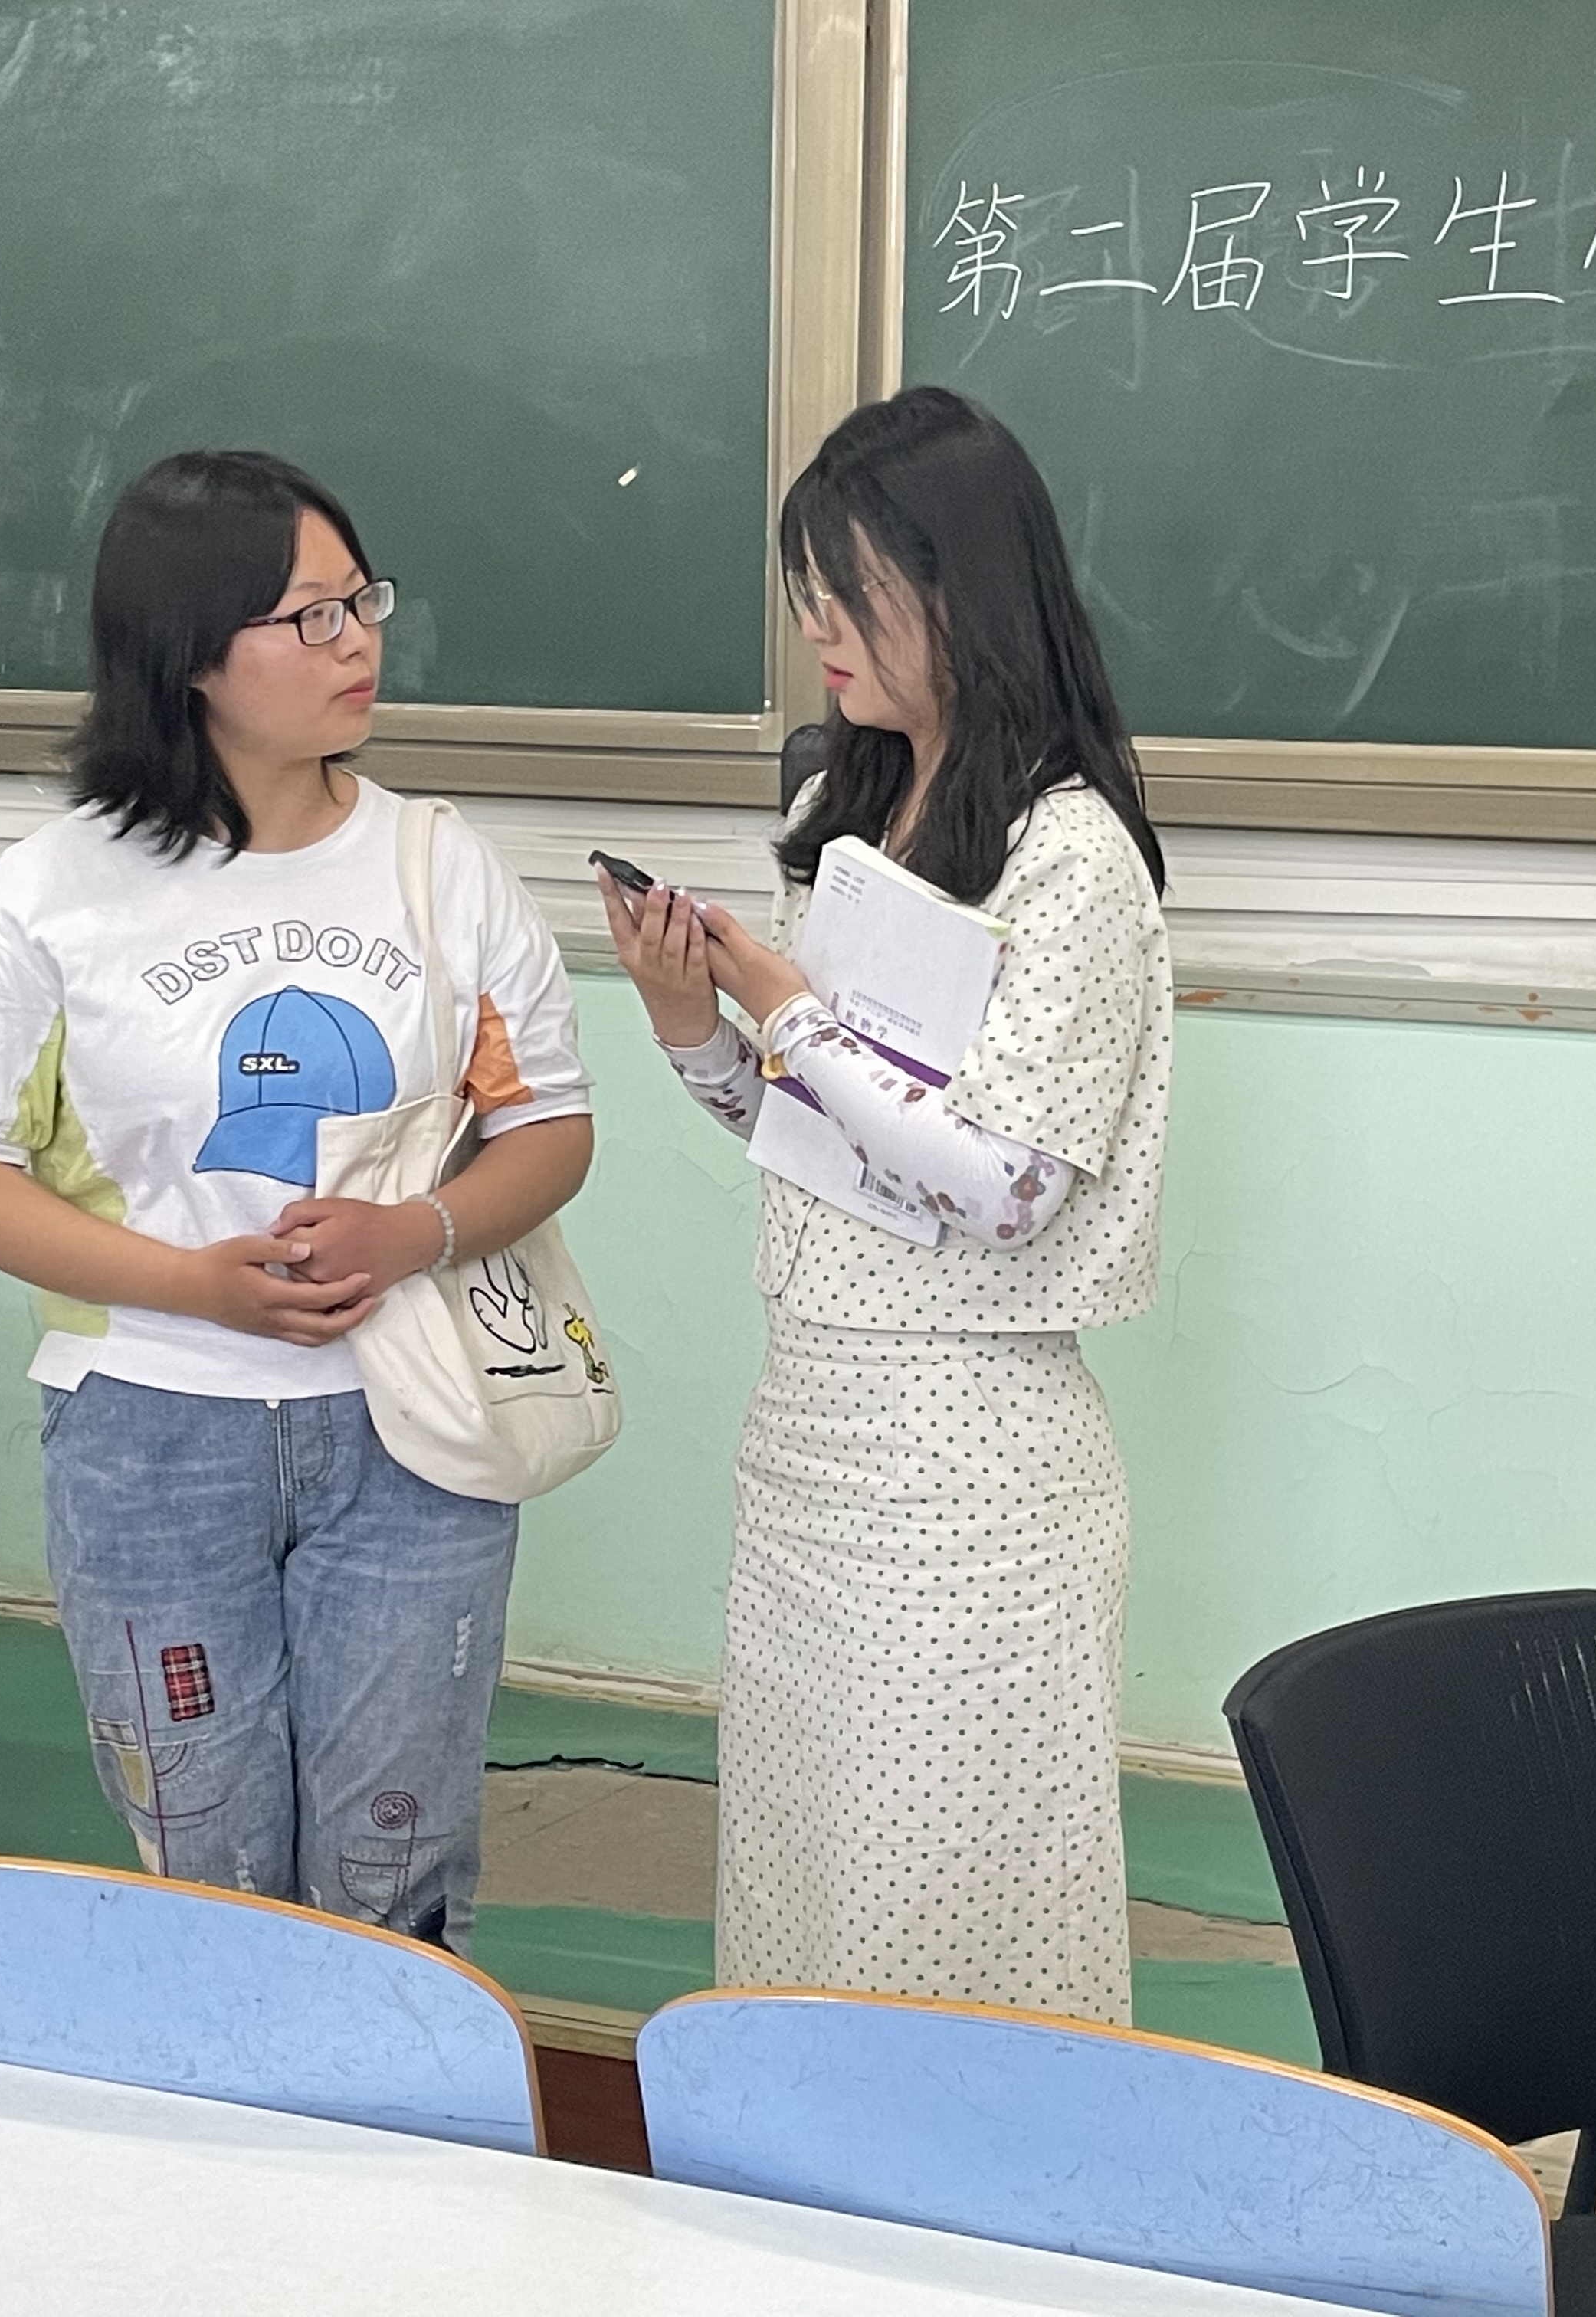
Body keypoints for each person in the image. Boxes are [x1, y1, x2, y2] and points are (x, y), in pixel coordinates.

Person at [0, 451, 593, 1949]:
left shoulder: (440, 867)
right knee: (203, 1859)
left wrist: (417, 1232)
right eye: (308, 616)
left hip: (415, 1428)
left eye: (362, 603)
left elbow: (547, 1129)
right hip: (148, 1433)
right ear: (191, 654)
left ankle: (395, 2104)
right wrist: (193, 1285)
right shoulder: (50, 896)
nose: (358, 643)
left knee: (395, 1861)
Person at [601, 386, 1172, 2023]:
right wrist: (697, 1027)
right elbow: (828, 1149)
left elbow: (1003, 1185)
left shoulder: (1073, 856)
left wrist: (790, 1012)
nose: (818, 631)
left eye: (850, 594)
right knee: (805, 1897)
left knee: (947, 1910)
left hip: (972, 1465)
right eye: (809, 594)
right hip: (811, 1435)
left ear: (964, 590)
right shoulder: (864, 812)